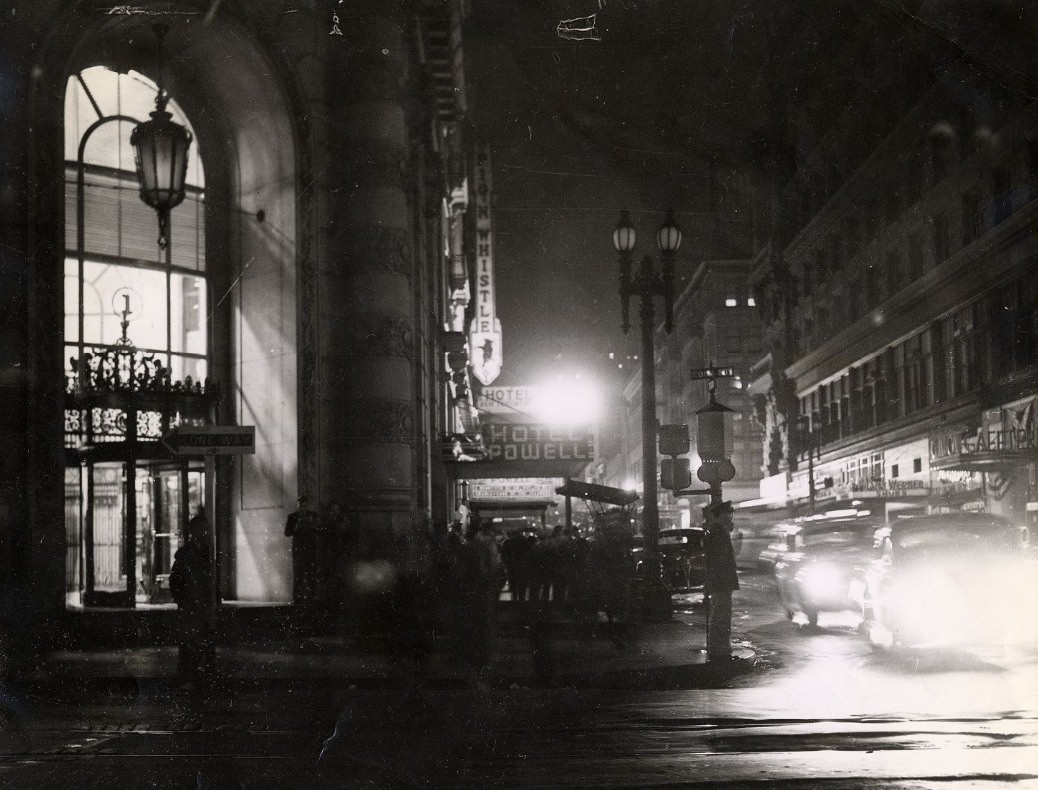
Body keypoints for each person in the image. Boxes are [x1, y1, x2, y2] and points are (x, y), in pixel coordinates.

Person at [169, 508, 215, 692]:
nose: (207, 533)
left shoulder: (205, 552)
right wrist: (183, 601)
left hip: (201, 605)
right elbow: (175, 581)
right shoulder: (186, 554)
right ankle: (188, 675)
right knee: (190, 642)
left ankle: (196, 676)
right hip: (191, 606)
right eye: (203, 529)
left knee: (200, 641)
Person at [285, 495, 322, 604]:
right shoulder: (292, 517)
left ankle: (312, 598)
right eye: (300, 506)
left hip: (311, 548)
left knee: (311, 574)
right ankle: (297, 599)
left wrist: (314, 526)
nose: (302, 508)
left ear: (307, 506)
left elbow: (320, 530)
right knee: (298, 575)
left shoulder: (313, 515)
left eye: (304, 506)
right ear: (297, 506)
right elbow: (287, 533)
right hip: (298, 550)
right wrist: (296, 527)